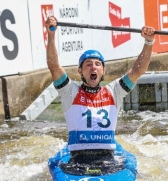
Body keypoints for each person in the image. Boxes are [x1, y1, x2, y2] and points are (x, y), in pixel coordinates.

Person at [44, 14, 156, 163]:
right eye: (88, 64)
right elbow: (54, 67)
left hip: (107, 159)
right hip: (77, 160)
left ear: (104, 71)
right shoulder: (70, 92)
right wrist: (51, 36)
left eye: (97, 64)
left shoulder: (114, 91)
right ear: (80, 71)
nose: (93, 68)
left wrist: (149, 42)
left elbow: (137, 71)